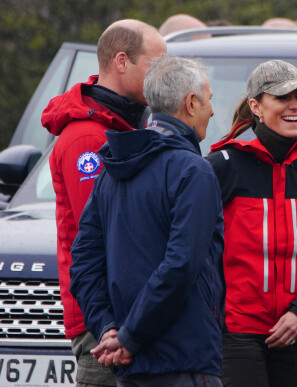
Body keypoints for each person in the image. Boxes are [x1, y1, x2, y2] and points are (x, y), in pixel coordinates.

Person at [69, 56, 225, 386]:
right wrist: (127, 337)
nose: (213, 111)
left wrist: (109, 328)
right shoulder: (193, 171)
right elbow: (181, 265)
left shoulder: (110, 173)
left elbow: (82, 262)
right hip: (183, 359)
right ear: (191, 103)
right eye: (209, 100)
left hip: (131, 365)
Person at [206, 60, 297, 387]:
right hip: (236, 334)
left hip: (296, 333)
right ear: (256, 106)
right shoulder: (222, 166)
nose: (294, 106)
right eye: (282, 97)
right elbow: (194, 250)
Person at [40, 19, 166, 387]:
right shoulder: (86, 139)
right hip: (105, 324)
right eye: (154, 66)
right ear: (122, 62)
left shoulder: (131, 126)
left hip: (133, 316)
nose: (161, 78)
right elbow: (103, 235)